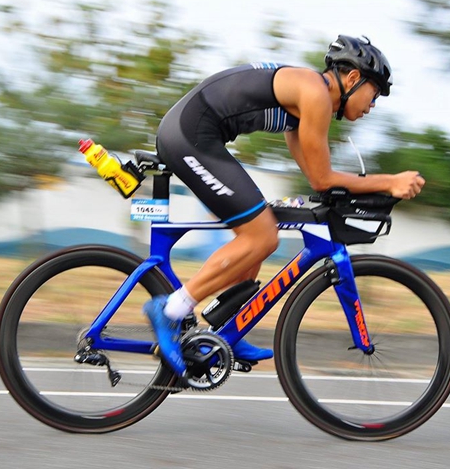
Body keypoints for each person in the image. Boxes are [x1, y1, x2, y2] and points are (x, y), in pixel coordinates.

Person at [144, 35, 426, 377]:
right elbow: (324, 179)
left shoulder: (305, 101)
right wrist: (389, 181)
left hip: (195, 135)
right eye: (375, 92)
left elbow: (315, 177)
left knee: (260, 228)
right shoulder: (315, 95)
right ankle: (170, 310)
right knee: (262, 237)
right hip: (190, 136)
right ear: (353, 79)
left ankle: (227, 332)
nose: (374, 103)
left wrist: (350, 187)